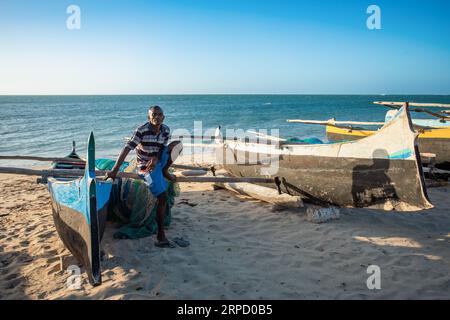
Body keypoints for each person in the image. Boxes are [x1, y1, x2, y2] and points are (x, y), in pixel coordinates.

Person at [106, 105, 180, 248]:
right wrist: (115, 170)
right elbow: (127, 148)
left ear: (163, 117)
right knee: (162, 197)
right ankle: (160, 235)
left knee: (177, 145)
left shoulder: (166, 129)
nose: (157, 117)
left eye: (159, 114)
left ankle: (165, 170)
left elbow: (163, 148)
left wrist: (157, 158)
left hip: (158, 161)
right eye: (154, 115)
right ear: (149, 118)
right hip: (145, 166)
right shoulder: (141, 130)